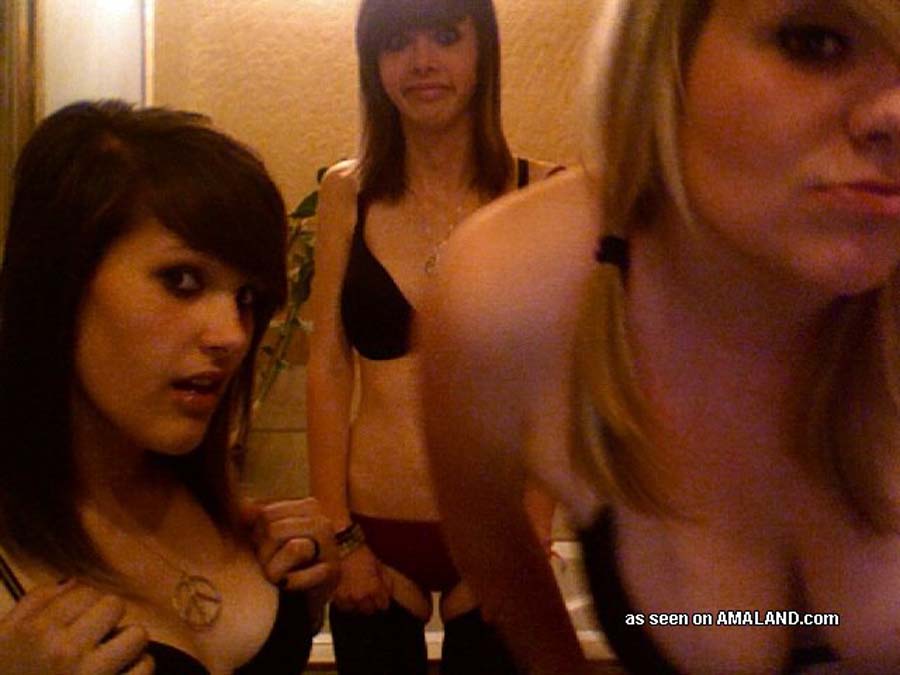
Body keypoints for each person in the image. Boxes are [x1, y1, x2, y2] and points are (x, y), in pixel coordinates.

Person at [420, 0, 900, 672]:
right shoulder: (509, 298)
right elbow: (496, 562)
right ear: (665, 50)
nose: (893, 112)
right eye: (815, 42)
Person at [0, 100, 337, 674]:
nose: (232, 335)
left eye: (246, 298)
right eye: (182, 281)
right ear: (61, 279)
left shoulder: (227, 513)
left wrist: (304, 601)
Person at [305, 0, 563, 672]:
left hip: (499, 533)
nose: (421, 61)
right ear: (374, 62)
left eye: (446, 36)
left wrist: (535, 528)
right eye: (397, 42)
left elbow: (554, 381)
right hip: (374, 532)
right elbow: (328, 364)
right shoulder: (345, 193)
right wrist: (340, 534)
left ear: (484, 52)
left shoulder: (542, 192)